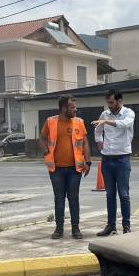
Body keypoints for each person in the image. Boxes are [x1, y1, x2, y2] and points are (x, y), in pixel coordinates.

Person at [39, 95, 91, 239]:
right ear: (63, 108)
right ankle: (59, 229)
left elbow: (85, 142)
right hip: (56, 169)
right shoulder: (50, 122)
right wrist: (45, 150)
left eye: (75, 107)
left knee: (74, 198)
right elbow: (42, 137)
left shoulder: (79, 122)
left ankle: (76, 229)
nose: (75, 109)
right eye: (72, 107)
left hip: (75, 169)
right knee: (59, 198)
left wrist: (88, 161)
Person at [92, 90, 135, 236]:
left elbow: (124, 125)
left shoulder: (129, 113)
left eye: (111, 102)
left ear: (119, 100)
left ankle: (126, 226)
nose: (109, 106)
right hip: (107, 159)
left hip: (122, 159)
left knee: (124, 195)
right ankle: (111, 226)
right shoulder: (104, 114)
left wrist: (105, 122)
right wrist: (99, 141)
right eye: (108, 103)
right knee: (110, 194)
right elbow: (98, 130)